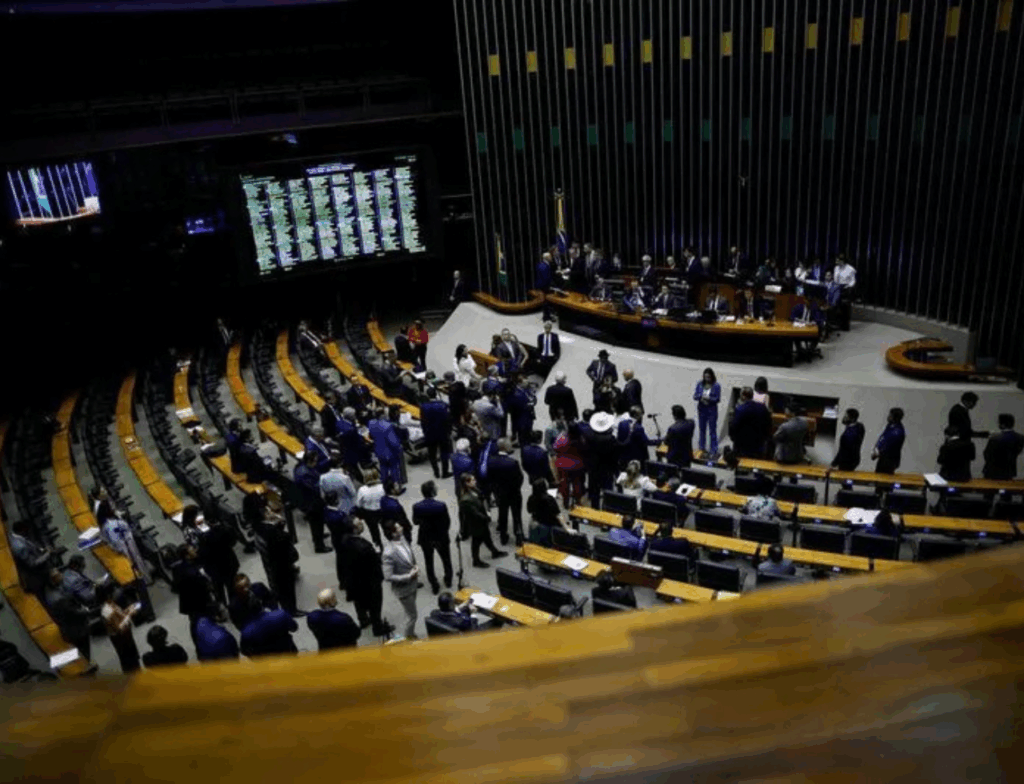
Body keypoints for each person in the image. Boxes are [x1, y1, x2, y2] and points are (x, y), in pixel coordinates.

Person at [251, 511, 303, 617]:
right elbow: (285, 538)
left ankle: (286, 606)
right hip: (281, 563)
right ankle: (291, 610)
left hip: (272, 563)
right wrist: (280, 526)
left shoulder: (259, 528)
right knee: (287, 588)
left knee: (281, 587)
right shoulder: (271, 531)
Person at [341, 520, 388, 636]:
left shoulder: (345, 539)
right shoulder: (365, 547)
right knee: (375, 605)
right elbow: (374, 564)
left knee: (358, 601)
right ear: (355, 529)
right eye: (359, 523)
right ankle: (378, 628)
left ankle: (363, 620)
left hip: (354, 578)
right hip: (370, 581)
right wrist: (377, 553)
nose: (362, 523)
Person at [410, 480, 453, 594]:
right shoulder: (441, 505)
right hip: (441, 536)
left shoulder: (417, 506)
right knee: (446, 560)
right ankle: (448, 580)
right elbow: (447, 522)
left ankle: (434, 584)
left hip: (425, 537)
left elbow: (415, 522)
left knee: (429, 562)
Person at [43, 569, 93, 663]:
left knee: (80, 652)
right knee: (82, 652)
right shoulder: (56, 598)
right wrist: (86, 611)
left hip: (72, 624)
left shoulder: (56, 586)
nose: (61, 575)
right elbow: (72, 612)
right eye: (58, 575)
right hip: (74, 628)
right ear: (53, 579)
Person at [381, 521, 420, 640]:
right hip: (403, 589)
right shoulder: (388, 553)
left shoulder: (402, 538)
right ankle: (409, 636)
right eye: (398, 527)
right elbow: (388, 576)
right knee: (413, 616)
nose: (401, 528)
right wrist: (408, 576)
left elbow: (409, 554)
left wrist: (414, 565)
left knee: (410, 611)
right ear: (393, 534)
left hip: (413, 584)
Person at [458, 473, 507, 567]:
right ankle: (476, 560)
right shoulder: (465, 499)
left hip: (481, 521)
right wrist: (486, 517)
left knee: (487, 537)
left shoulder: (473, 490)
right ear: (467, 483)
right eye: (472, 480)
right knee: (476, 542)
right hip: (476, 523)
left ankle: (494, 552)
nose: (475, 481)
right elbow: (475, 513)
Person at [488, 438, 526, 546]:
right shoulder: (513, 462)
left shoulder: (491, 461)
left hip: (500, 493)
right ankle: (519, 536)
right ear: (505, 447)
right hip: (514, 492)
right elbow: (520, 478)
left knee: (502, 514)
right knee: (517, 515)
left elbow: (490, 478)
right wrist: (517, 488)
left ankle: (503, 537)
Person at [98, 582, 141, 673]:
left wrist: (127, 610)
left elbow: (119, 616)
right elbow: (120, 628)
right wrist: (130, 614)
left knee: (134, 659)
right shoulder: (107, 610)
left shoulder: (111, 603)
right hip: (121, 639)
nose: (116, 592)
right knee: (130, 663)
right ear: (108, 594)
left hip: (126, 635)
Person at [198, 517, 241, 605]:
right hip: (229, 564)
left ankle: (223, 605)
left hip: (215, 569)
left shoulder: (204, 537)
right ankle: (234, 604)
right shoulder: (224, 530)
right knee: (232, 587)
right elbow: (233, 541)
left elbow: (203, 554)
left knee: (219, 590)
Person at [294, 451, 331, 554]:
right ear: (310, 461)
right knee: (316, 523)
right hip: (312, 502)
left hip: (311, 501)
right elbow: (314, 487)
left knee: (317, 523)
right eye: (315, 460)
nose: (317, 462)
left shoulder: (303, 467)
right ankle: (319, 546)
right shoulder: (305, 474)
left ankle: (319, 536)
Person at [9, 521, 55, 596]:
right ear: (22, 530)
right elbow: (32, 563)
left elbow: (31, 547)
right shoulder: (20, 547)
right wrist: (48, 554)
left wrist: (42, 550)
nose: (27, 532)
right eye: (26, 530)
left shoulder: (14, 536)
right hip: (36, 576)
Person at [367, 408, 405, 492]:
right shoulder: (387, 426)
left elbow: (371, 436)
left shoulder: (371, 423)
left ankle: (384, 488)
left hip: (378, 451)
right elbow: (393, 442)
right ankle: (397, 488)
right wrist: (399, 447)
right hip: (390, 452)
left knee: (383, 469)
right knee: (394, 469)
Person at [729, 388, 772, 459]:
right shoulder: (762, 408)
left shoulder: (740, 409)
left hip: (742, 446)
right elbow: (768, 425)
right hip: (759, 445)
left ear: (743, 396)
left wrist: (733, 438)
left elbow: (734, 426)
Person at [419, 386, 452, 480]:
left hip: (430, 434)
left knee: (432, 454)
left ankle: (436, 472)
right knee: (444, 453)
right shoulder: (443, 405)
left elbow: (423, 422)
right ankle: (445, 472)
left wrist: (425, 432)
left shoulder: (423, 407)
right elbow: (448, 420)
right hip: (443, 433)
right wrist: (448, 431)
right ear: (436, 394)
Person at [553, 422, 587, 508]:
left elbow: (555, 448)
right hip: (577, 466)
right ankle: (577, 501)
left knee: (565, 484)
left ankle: (566, 502)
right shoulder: (582, 440)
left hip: (563, 466)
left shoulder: (563, 439)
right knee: (577, 483)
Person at [526, 478, 569, 545]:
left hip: (538, 522)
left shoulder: (531, 498)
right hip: (550, 525)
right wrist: (566, 527)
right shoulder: (550, 499)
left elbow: (529, 511)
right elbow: (557, 514)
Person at [983, 414, 1024, 480]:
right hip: (1009, 471)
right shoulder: (1020, 438)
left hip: (992, 471)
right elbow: (1017, 452)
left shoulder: (995, 438)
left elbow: (987, 454)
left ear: (1002, 424)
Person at [354, 467, 387, 549]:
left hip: (369, 513)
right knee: (386, 527)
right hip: (382, 510)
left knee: (373, 531)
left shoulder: (362, 490)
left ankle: (378, 546)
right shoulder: (382, 487)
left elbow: (358, 504)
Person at [692, 367, 722, 458]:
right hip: (702, 409)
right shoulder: (700, 384)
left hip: (711, 409)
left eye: (709, 377)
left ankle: (713, 449)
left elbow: (717, 399)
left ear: (712, 377)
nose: (707, 379)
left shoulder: (716, 385)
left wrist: (709, 398)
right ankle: (702, 447)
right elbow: (695, 396)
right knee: (702, 429)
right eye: (705, 377)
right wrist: (700, 396)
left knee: (712, 430)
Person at [872, 408, 906, 474]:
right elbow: (883, 437)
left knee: (883, 479)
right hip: (883, 459)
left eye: (890, 415)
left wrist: (878, 452)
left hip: (888, 461)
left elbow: (889, 446)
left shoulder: (897, 431)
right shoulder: (890, 426)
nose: (888, 416)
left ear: (894, 417)